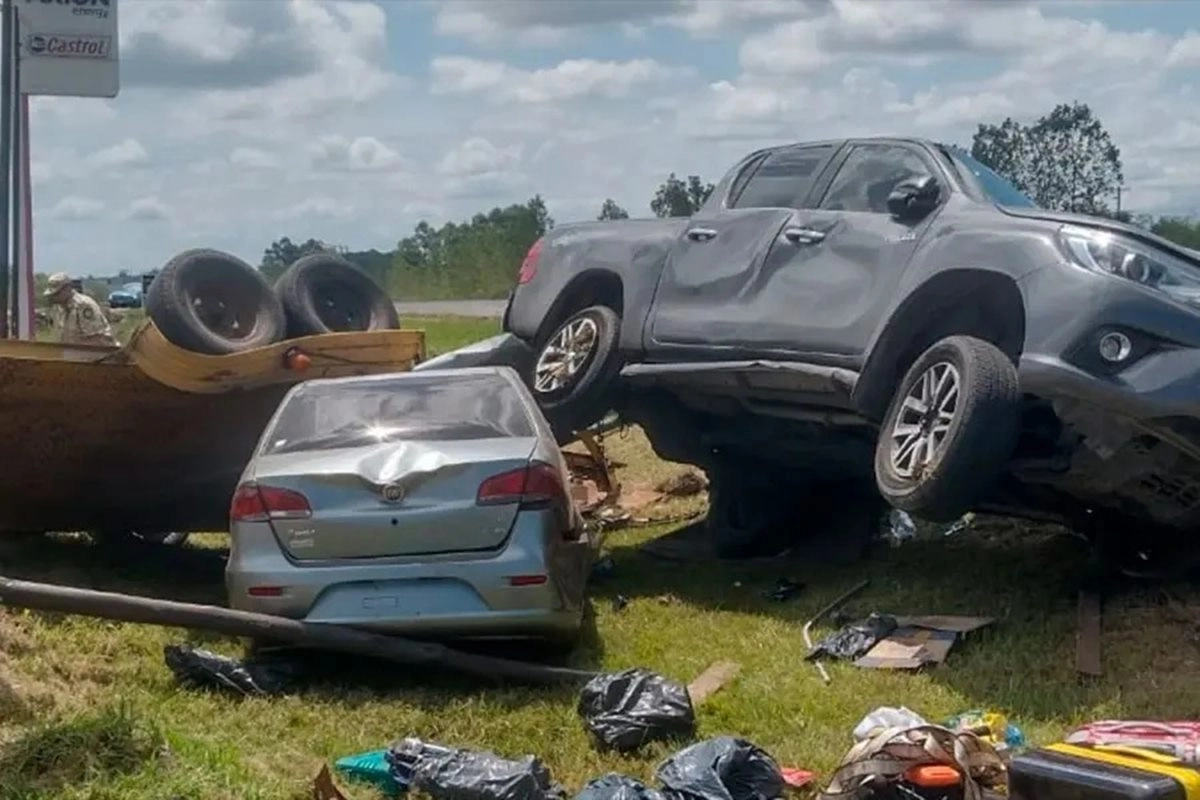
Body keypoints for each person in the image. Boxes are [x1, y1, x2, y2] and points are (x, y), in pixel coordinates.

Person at [43, 272, 117, 346]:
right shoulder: (59, 308)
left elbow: (98, 338)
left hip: (100, 353)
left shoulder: (83, 305)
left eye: (57, 293)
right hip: (74, 354)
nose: (55, 297)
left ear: (67, 288)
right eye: (53, 294)